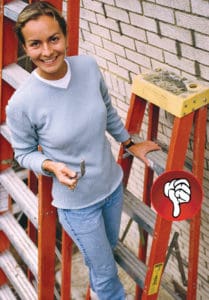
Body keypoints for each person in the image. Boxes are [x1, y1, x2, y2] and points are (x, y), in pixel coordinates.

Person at [6, 2, 160, 299]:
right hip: (78, 206)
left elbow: (108, 111)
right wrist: (51, 166)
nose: (48, 51)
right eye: (35, 44)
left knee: (106, 255)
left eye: (54, 39)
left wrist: (130, 143)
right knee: (105, 276)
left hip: (112, 188)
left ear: (65, 36)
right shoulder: (22, 103)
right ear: (25, 47)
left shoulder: (88, 67)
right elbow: (23, 154)